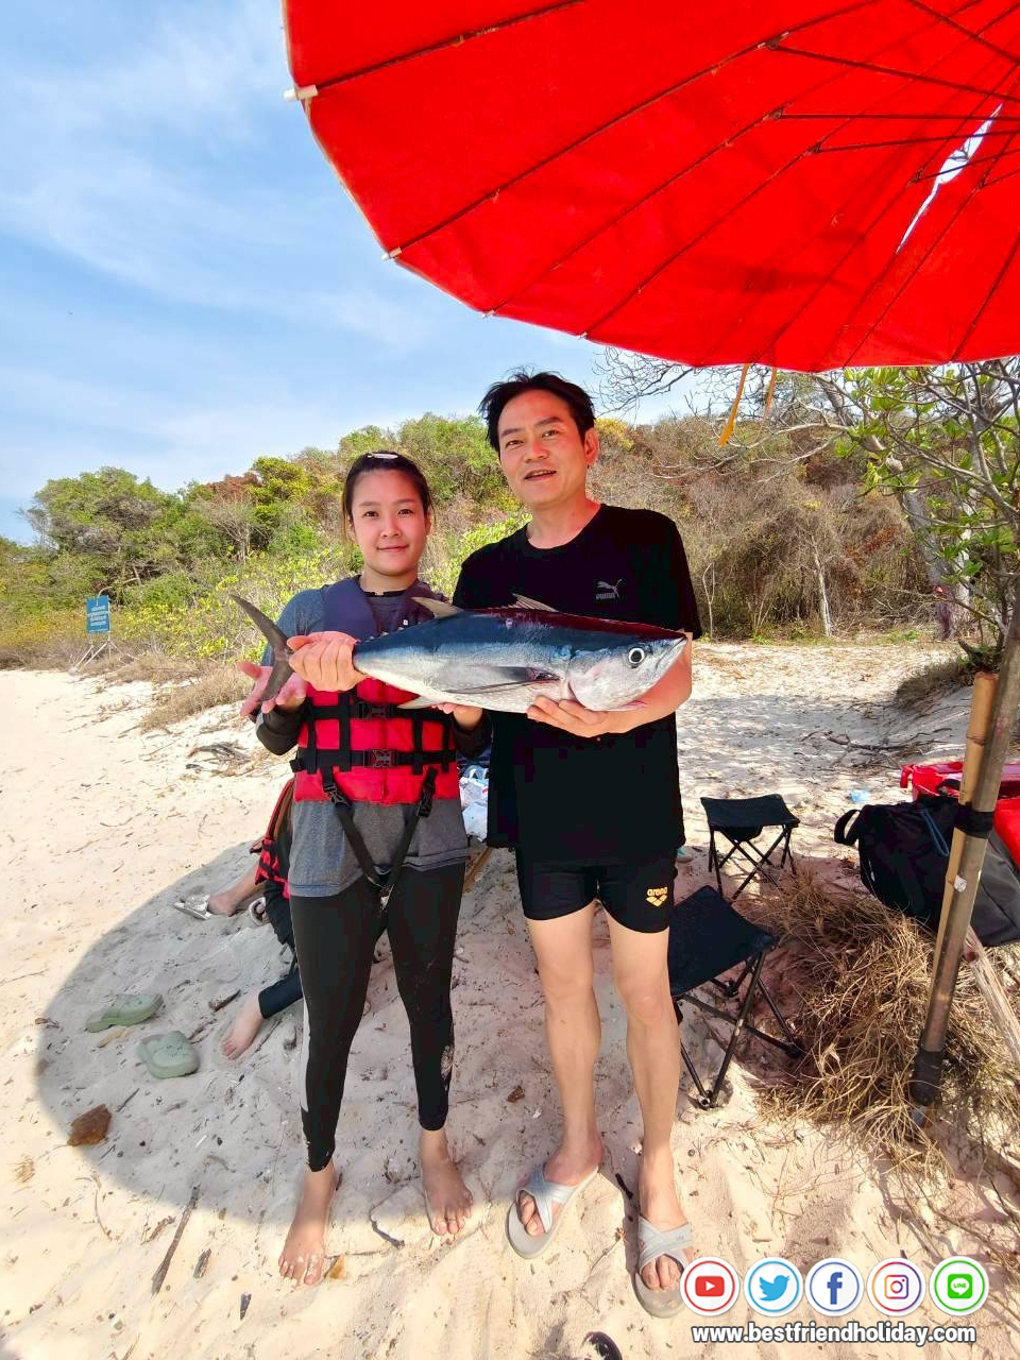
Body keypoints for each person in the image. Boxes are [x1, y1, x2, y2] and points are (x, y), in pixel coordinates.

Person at [452, 371, 701, 1318]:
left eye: (549, 432)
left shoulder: (646, 539)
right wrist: (450, 699)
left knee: (644, 992)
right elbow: (476, 717)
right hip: (542, 820)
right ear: (500, 462)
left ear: (588, 444)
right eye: (513, 440)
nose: (532, 452)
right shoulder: (483, 572)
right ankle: (580, 1144)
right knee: (563, 990)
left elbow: (675, 674)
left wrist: (610, 722)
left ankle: (660, 1167)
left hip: (636, 811)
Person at [238, 451, 486, 1285]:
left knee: (429, 1003)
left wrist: (466, 709)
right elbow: (274, 738)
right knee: (332, 1015)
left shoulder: (453, 618)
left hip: (429, 832)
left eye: (405, 510)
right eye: (371, 512)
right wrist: (291, 698)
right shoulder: (309, 613)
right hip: (324, 836)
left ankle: (434, 1148)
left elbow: (476, 742)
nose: (389, 527)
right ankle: (318, 1177)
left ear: (428, 519)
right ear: (350, 525)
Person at [222, 779, 304, 1059]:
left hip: (336, 895)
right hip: (292, 897)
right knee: (329, 968)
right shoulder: (309, 791)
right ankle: (258, 1005)